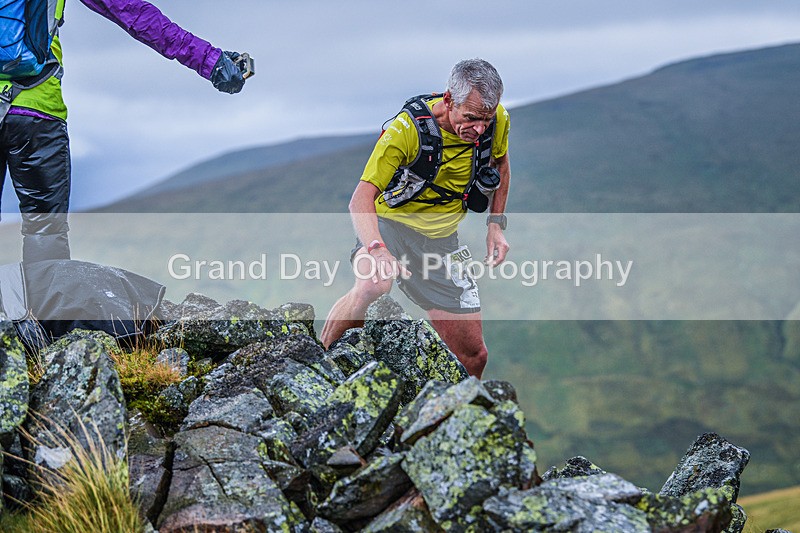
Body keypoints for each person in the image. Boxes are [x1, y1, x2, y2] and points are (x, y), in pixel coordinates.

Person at [0, 0, 249, 263]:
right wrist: (210, 60)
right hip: (37, 111)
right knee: (46, 230)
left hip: (38, 115)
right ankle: (42, 304)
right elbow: (131, 12)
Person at [320, 58, 511, 378]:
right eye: (471, 118)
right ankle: (322, 366)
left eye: (486, 119)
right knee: (372, 283)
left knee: (474, 356)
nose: (479, 129)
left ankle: (460, 422)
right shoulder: (405, 131)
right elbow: (360, 199)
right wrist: (377, 248)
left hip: (441, 241)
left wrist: (496, 225)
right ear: (449, 100)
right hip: (389, 226)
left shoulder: (496, 121)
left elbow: (501, 165)